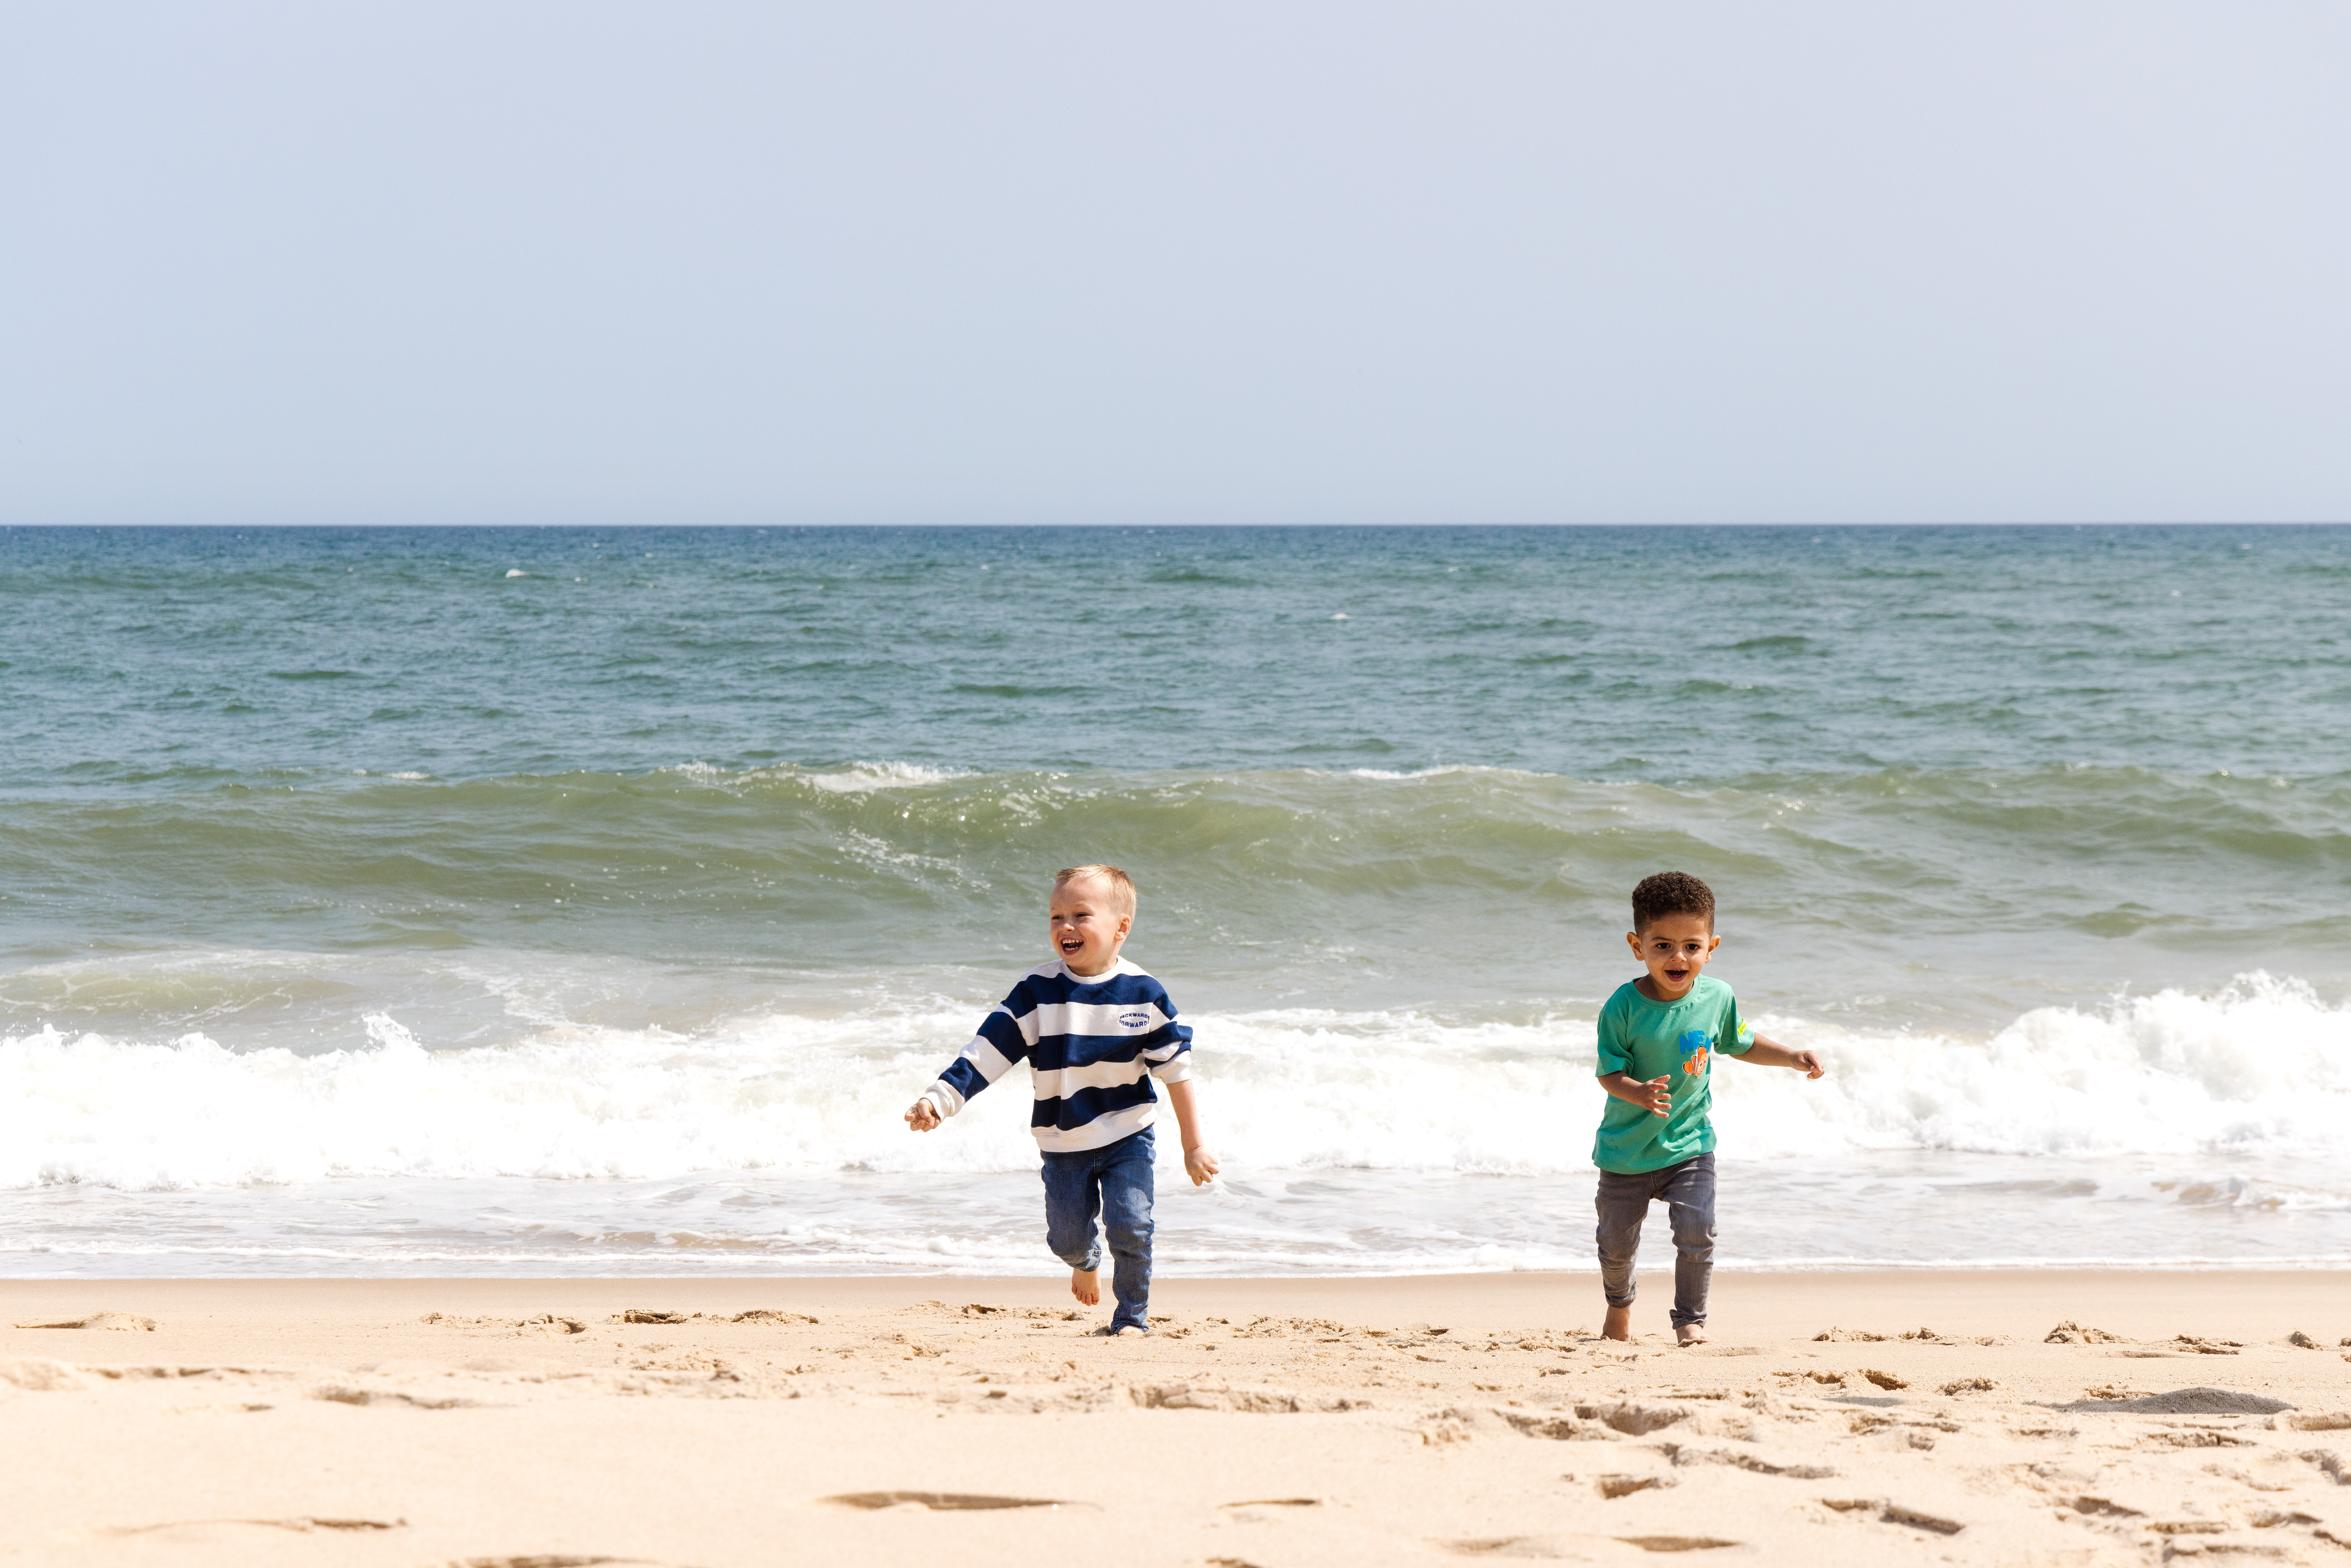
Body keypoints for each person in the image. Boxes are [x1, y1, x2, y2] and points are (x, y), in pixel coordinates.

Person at [905, 865, 1218, 1335]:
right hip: (1062, 1140)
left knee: (1131, 1225)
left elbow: (1177, 1072)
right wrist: (939, 1099)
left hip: (1127, 1133)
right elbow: (986, 1053)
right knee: (1067, 1239)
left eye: (1080, 915)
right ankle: (1085, 1261)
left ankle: (1130, 1318)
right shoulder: (1037, 992)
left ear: (1121, 929)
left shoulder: (1144, 995)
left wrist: (1193, 1145)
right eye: (1056, 916)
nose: (1065, 926)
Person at [1594, 871, 1824, 1345]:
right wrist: (1635, 1091)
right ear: (1637, 946)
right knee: (1616, 1248)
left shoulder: (1717, 996)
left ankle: (1688, 1321)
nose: (1678, 957)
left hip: (1690, 1146)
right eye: (1662, 945)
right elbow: (1607, 1072)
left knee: (1697, 1234)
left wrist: (1789, 1056)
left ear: (1711, 946)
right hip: (1626, 1153)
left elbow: (1739, 1042)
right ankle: (1619, 1310)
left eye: (1691, 946)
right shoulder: (1622, 1006)